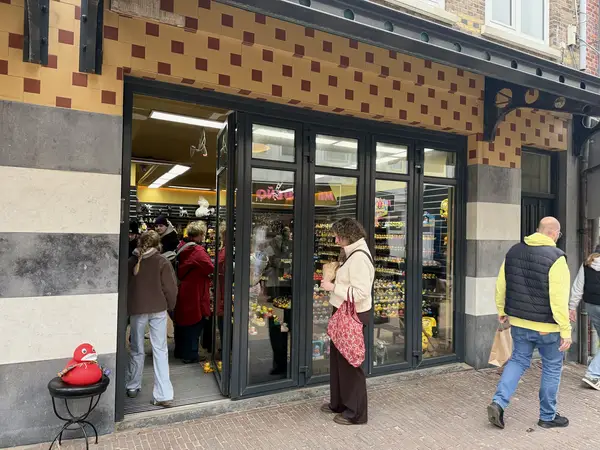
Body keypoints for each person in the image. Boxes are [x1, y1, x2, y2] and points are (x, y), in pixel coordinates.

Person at [487, 217, 572, 430]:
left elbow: (501, 284)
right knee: (551, 367)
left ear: (538, 230)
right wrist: (565, 330)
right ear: (554, 233)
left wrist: (502, 310)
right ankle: (547, 416)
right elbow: (558, 299)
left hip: (519, 322)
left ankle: (499, 402)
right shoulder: (557, 258)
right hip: (547, 327)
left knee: (518, 360)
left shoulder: (513, 251)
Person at [319, 218, 374, 425]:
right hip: (344, 311)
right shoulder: (352, 253)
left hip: (351, 313)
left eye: (337, 236)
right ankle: (339, 403)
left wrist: (332, 287)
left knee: (350, 362)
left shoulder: (359, 258)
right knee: (339, 360)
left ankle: (356, 413)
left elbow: (361, 293)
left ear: (347, 236)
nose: (335, 240)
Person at [126, 230, 177, 407]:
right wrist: (171, 305)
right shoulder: (162, 261)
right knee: (160, 349)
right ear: (158, 245)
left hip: (137, 308)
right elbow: (170, 288)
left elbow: (125, 287)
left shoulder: (131, 262)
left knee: (136, 348)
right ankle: (163, 394)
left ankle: (132, 385)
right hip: (158, 308)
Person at [174, 221, 214, 364]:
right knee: (195, 321)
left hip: (183, 288)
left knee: (182, 321)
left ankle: (179, 351)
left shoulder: (182, 246)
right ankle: (190, 354)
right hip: (195, 290)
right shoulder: (197, 251)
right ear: (200, 234)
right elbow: (210, 267)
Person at [569, 244, 600, 389]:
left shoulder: (587, 264)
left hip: (591, 305)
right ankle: (593, 374)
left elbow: (578, 287)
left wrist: (572, 307)